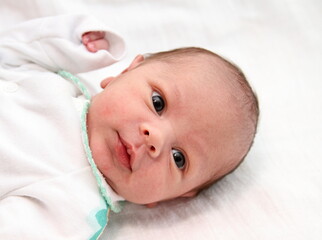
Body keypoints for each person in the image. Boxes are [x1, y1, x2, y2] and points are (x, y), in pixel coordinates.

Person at [0, 14, 258, 239]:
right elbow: (9, 51)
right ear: (126, 72)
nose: (155, 138)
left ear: (173, 196)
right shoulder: (54, 79)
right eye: (158, 103)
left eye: (178, 158)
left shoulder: (72, 207)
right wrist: (73, 43)